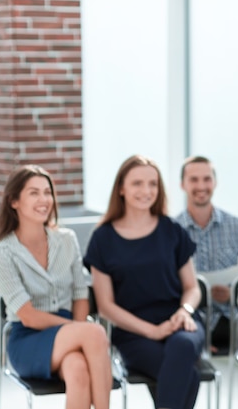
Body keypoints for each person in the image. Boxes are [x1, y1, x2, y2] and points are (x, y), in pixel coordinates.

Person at [84, 154, 205, 409]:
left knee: (183, 348)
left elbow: (192, 288)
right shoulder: (102, 239)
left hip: (178, 322)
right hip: (133, 332)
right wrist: (151, 330)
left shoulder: (172, 230)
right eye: (137, 183)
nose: (146, 191)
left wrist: (185, 311)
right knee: (187, 376)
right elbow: (105, 306)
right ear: (121, 189)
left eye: (153, 184)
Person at [0, 165, 112, 409]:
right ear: (14, 201)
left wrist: (78, 331)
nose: (44, 199)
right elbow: (29, 317)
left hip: (69, 329)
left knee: (78, 371)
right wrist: (80, 330)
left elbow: (80, 294)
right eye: (34, 193)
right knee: (95, 332)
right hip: (28, 338)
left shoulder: (66, 240)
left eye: (47, 192)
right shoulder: (1, 253)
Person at [175, 155, 238, 352]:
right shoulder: (172, 231)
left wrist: (233, 294)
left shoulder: (237, 227)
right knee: (183, 348)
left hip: (234, 318)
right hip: (192, 319)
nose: (201, 185)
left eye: (206, 179)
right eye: (194, 180)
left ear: (215, 182)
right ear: (182, 185)